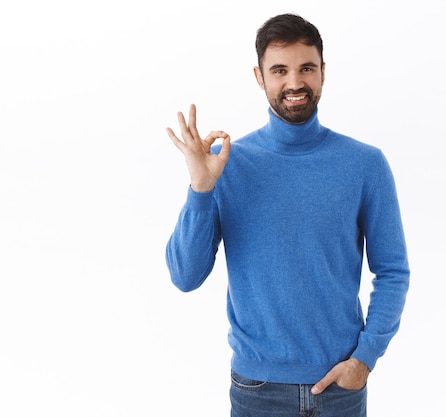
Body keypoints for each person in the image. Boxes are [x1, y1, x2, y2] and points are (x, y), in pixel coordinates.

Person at [164, 13, 409, 417]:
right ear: (260, 77)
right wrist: (201, 189)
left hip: (340, 387)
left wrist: (365, 358)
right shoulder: (225, 164)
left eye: (306, 68)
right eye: (279, 70)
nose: (294, 83)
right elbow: (185, 277)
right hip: (257, 390)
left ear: (323, 73)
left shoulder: (364, 164)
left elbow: (393, 271)